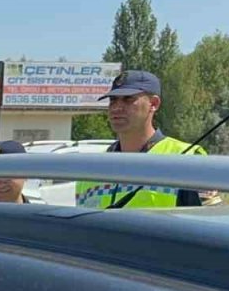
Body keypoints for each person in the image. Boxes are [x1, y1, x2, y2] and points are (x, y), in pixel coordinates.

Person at [75, 71, 214, 208]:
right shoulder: (92, 170)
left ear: (153, 103)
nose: (117, 107)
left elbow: (209, 219)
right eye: (113, 100)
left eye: (128, 99)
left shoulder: (186, 159)